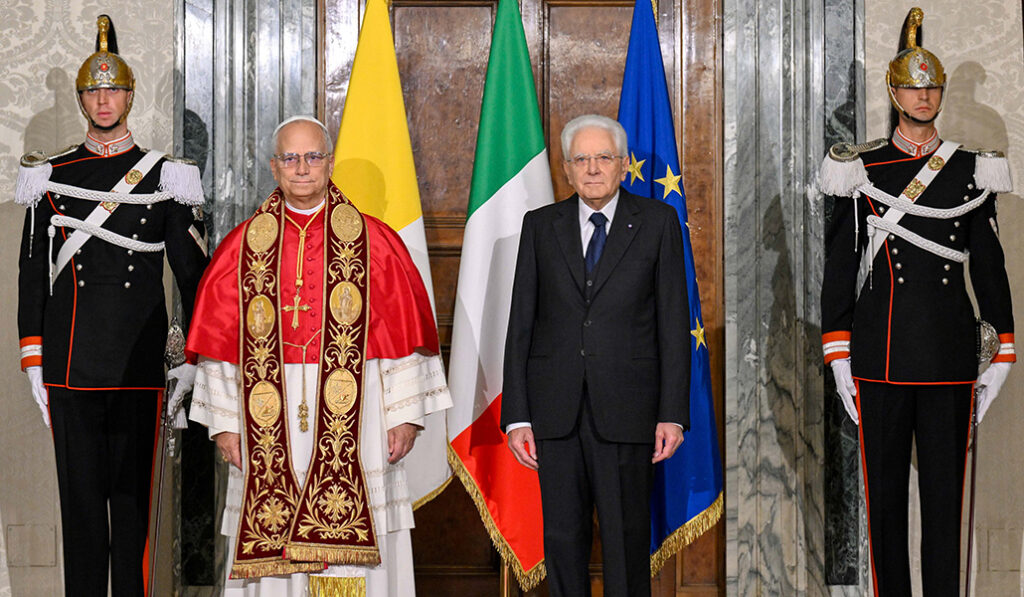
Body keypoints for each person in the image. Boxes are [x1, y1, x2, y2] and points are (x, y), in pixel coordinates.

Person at [186, 115, 451, 595]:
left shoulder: (377, 241)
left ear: (329, 163)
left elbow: (404, 334)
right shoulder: (242, 245)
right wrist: (224, 421)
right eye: (290, 157)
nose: (302, 167)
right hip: (265, 411)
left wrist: (406, 415)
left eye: (313, 157)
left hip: (362, 406)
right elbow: (220, 343)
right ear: (273, 167)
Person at [818, 8, 1014, 596]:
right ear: (894, 90)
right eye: (912, 86)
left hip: (951, 357)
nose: (923, 96)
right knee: (885, 509)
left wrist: (1003, 347)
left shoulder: (971, 167)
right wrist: (838, 352)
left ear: (940, 92)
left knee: (944, 506)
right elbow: (839, 266)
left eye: (932, 87)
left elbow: (990, 265)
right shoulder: (860, 168)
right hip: (879, 358)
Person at [14, 15, 208, 597]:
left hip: (137, 369)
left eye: (113, 89)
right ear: (82, 99)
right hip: (71, 369)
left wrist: (192, 358)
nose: (104, 100)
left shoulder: (165, 177)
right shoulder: (50, 177)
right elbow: (31, 276)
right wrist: (32, 359)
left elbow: (193, 277)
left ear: (129, 96)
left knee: (133, 520)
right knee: (79, 518)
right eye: (93, 91)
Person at [501, 114, 690, 596]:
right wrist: (517, 416)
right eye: (580, 159)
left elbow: (672, 324)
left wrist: (672, 413)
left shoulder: (657, 222)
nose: (591, 169)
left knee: (627, 542)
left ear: (623, 165)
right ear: (565, 169)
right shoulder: (540, 226)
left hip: (629, 411)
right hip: (555, 413)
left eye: (602, 158)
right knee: (563, 541)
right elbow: (521, 325)